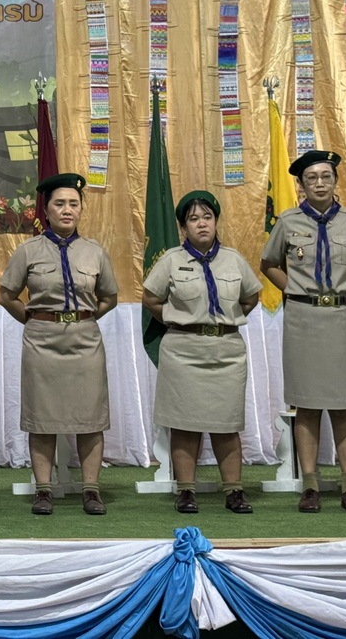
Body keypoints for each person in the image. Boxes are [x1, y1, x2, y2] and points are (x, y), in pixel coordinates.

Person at [260, 149, 346, 514]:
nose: (320, 183)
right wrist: (294, 290)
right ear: (301, 185)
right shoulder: (288, 221)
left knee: (343, 405)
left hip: (342, 320)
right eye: (312, 178)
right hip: (303, 321)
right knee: (307, 406)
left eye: (326, 176)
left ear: (336, 181)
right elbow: (268, 263)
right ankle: (309, 485)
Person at [0, 173, 117, 516]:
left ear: (81, 210)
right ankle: (43, 490)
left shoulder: (94, 252)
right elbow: (7, 294)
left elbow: (110, 296)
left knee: (91, 417)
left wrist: (85, 318)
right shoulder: (28, 251)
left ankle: (91, 490)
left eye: (73, 204)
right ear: (47, 210)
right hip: (42, 342)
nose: (67, 210)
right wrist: (34, 320)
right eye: (59, 204)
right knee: (42, 417)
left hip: (85, 342)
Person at [142, 190, 262, 514]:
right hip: (183, 351)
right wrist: (176, 319)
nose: (202, 224)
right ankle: (186, 491)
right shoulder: (171, 260)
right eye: (193, 219)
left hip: (226, 352)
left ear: (216, 221)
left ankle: (234, 492)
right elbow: (151, 298)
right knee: (185, 424)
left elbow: (251, 297)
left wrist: (225, 321)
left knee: (227, 423)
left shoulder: (234, 259)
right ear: (184, 228)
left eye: (207, 217)